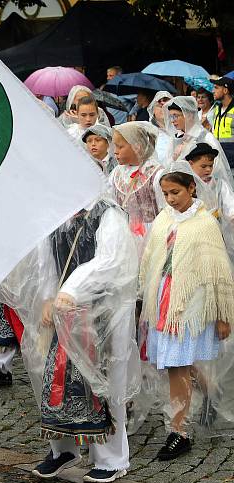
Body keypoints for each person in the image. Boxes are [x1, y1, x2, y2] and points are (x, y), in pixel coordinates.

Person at [0, 195, 139, 483]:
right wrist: (49, 296)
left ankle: (111, 458)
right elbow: (46, 262)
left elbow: (110, 261)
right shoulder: (56, 213)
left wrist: (73, 289)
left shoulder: (108, 214)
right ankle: (63, 448)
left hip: (102, 313)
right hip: (64, 311)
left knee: (104, 384)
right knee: (54, 379)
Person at [140, 171, 234, 460]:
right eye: (166, 193)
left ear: (192, 188)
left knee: (177, 364)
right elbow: (150, 258)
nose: (170, 199)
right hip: (163, 299)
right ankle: (211, 394)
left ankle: (179, 431)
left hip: (190, 303)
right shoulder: (164, 218)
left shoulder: (205, 223)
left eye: (175, 193)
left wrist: (222, 314)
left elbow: (218, 270)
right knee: (176, 363)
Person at [108, 122, 166, 253]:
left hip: (150, 238)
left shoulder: (156, 174)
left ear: (137, 147)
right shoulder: (117, 173)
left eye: (120, 147)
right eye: (115, 146)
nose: (115, 151)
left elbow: (165, 210)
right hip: (124, 239)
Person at [211, 77, 234, 167]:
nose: (213, 91)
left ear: (225, 90)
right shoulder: (217, 109)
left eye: (216, 87)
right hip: (219, 162)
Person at [147, 91, 174, 164]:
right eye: (160, 106)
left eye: (167, 106)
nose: (163, 108)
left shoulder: (180, 130)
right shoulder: (148, 132)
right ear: (153, 110)